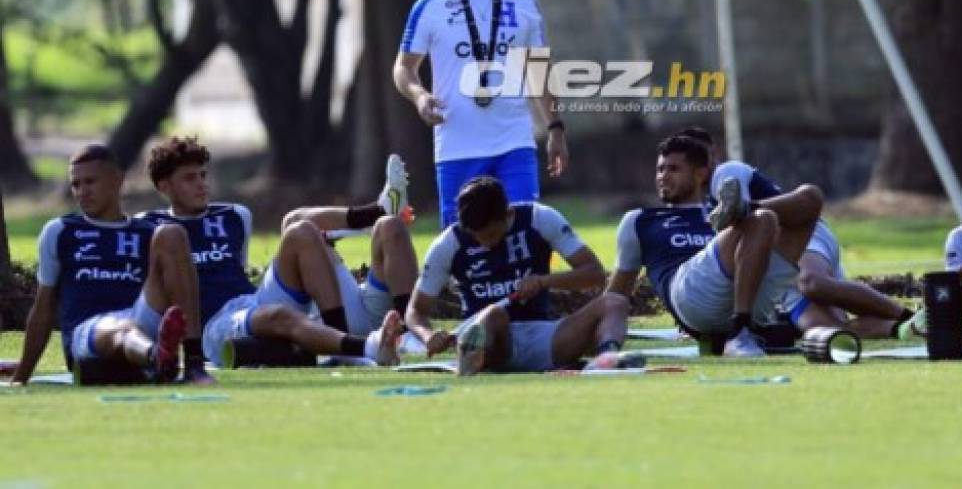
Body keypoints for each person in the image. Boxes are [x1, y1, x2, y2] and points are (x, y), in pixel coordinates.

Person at [138, 136, 403, 366]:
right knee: (278, 315)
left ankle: (344, 344)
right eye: (189, 178)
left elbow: (236, 270)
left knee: (302, 231)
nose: (201, 184)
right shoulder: (149, 227)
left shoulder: (234, 216)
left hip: (249, 303)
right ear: (164, 187)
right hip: (212, 327)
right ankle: (367, 347)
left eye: (203, 175)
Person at [393, 0, 567, 227]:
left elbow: (539, 70)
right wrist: (420, 96)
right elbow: (403, 68)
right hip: (457, 145)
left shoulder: (524, 3)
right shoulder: (430, 5)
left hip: (514, 142)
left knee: (524, 232)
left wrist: (555, 127)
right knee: (463, 242)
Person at [681, 127, 922, 342]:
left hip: (801, 233)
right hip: (779, 273)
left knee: (811, 283)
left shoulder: (726, 172)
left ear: (714, 154)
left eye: (700, 156)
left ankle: (913, 315)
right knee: (831, 332)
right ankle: (905, 329)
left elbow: (736, 209)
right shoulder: (696, 207)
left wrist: (738, 211)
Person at [607, 135, 829, 357]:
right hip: (691, 295)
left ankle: (747, 208)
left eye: (673, 169)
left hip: (752, 294)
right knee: (763, 220)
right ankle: (740, 332)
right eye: (660, 169)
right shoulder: (641, 220)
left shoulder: (719, 209)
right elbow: (618, 291)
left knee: (812, 197)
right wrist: (598, 330)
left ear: (700, 174)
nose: (663, 176)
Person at [8, 145, 210, 385]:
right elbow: (43, 308)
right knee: (122, 328)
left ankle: (194, 364)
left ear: (117, 181)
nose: (82, 192)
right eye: (76, 184)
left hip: (141, 316)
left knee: (173, 232)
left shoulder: (147, 232)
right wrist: (22, 377)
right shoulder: (61, 231)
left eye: (90, 182)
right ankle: (157, 358)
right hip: (89, 333)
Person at [405, 175, 630, 375]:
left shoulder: (539, 218)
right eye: (476, 237)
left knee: (615, 303)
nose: (486, 243)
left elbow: (594, 273)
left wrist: (544, 282)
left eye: (492, 234)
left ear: (507, 213)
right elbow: (415, 310)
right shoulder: (448, 244)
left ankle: (606, 362)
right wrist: (427, 336)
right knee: (494, 314)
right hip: (489, 340)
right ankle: (471, 360)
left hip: (543, 337)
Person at [278, 154, 420, 337]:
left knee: (391, 225)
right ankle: (377, 211)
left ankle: (410, 335)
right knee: (293, 223)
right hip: (336, 323)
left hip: (369, 309)